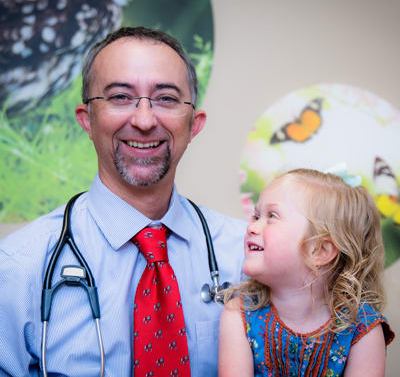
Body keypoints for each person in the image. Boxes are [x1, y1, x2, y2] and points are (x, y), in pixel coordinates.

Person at [0, 26, 247, 376]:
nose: (144, 120)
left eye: (165, 98)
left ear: (194, 124)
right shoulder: (16, 269)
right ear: (87, 120)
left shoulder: (245, 257)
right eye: (120, 97)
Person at [218, 168, 395, 377]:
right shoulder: (239, 313)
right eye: (256, 216)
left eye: (272, 216)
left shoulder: (363, 329)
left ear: (319, 250)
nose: (252, 227)